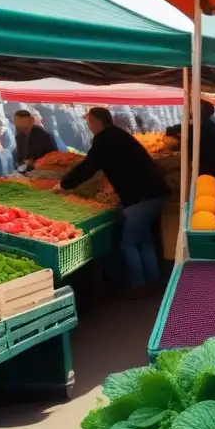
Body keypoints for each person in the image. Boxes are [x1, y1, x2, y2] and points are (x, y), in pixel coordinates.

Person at [58, 108, 171, 296]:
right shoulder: (118, 134)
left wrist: (64, 184)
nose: (88, 127)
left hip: (141, 197)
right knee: (143, 241)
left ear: (96, 122)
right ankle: (153, 282)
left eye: (89, 123)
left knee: (128, 244)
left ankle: (138, 287)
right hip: (155, 193)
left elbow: (89, 167)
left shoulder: (104, 140)